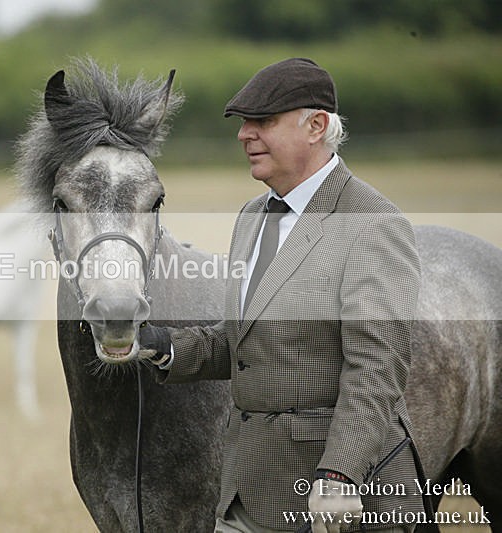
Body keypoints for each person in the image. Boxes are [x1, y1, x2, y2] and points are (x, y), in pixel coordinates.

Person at [139, 58, 427, 532]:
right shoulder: (252, 216)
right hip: (243, 494)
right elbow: (245, 343)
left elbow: (376, 369)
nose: (244, 134)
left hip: (341, 501)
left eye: (263, 122)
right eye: (243, 123)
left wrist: (339, 474)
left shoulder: (373, 223)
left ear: (316, 126)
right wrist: (158, 344)